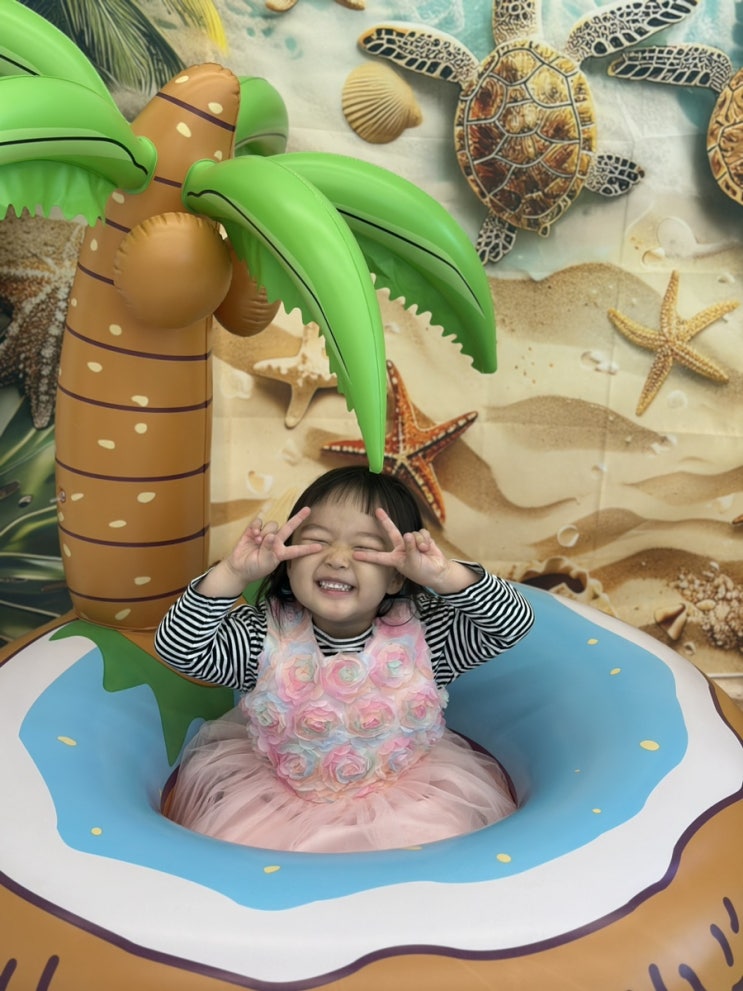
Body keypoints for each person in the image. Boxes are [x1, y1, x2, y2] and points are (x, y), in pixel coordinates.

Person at [155, 466, 534, 853]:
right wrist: (233, 573)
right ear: (288, 561)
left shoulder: (429, 635)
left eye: (364, 548)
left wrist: (443, 575)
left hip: (411, 810)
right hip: (280, 811)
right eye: (317, 541)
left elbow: (513, 624)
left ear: (396, 576)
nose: (337, 559)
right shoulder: (259, 637)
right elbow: (178, 647)